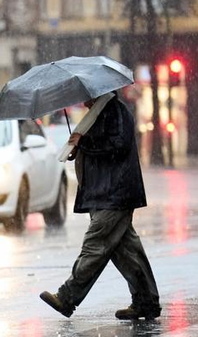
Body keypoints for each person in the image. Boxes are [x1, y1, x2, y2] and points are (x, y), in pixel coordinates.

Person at [40, 93, 161, 321]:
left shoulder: (115, 111)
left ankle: (67, 298)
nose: (84, 101)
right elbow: (102, 147)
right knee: (127, 252)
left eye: (86, 96)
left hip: (114, 194)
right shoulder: (101, 113)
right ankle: (147, 303)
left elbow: (118, 145)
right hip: (106, 193)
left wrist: (84, 142)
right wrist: (79, 148)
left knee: (95, 245)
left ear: (97, 93)